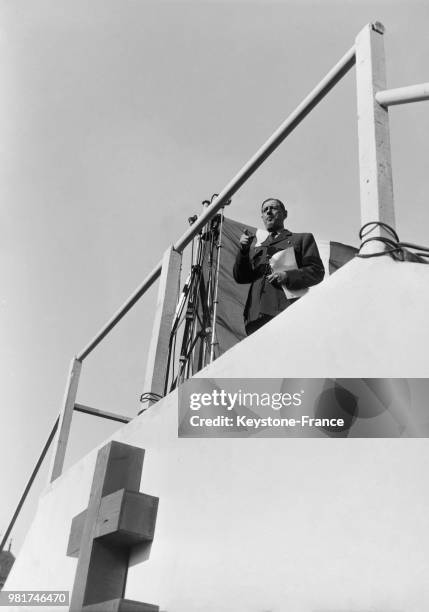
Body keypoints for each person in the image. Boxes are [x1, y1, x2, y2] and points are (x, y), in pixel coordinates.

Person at [233, 198, 324, 335]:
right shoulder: (257, 249)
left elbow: (316, 271)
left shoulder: (301, 239)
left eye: (273, 208)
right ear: (262, 217)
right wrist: (244, 250)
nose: (268, 212)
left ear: (284, 214)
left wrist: (287, 276)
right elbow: (241, 277)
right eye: (265, 210)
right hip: (254, 319)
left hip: (286, 314)